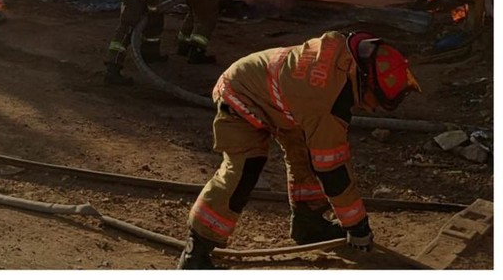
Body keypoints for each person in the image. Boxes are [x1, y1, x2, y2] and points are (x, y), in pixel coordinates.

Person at [179, 31, 421, 269]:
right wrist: (357, 226)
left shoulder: (345, 59)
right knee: (244, 170)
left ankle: (308, 223)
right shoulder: (326, 100)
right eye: (377, 100)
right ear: (364, 80)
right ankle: (195, 252)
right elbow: (333, 170)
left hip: (281, 99)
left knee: (306, 154)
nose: (374, 108)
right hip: (240, 93)